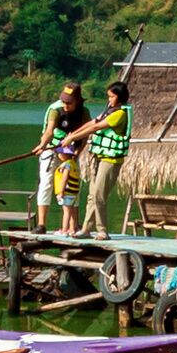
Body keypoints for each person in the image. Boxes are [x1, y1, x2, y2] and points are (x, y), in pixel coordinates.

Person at [65, 78, 131, 236]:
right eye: (108, 97)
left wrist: (72, 139)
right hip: (100, 158)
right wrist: (73, 134)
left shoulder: (119, 114)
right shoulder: (110, 110)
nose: (109, 100)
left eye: (112, 97)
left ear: (120, 97)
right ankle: (87, 229)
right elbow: (93, 121)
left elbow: (96, 127)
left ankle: (102, 231)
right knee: (91, 195)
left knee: (99, 196)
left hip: (110, 160)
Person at [32, 82, 86, 231]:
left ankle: (74, 224)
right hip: (52, 148)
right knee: (46, 182)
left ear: (77, 100)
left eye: (69, 102)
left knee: (73, 185)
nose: (65, 105)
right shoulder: (55, 110)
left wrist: (77, 152)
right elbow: (49, 131)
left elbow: (86, 134)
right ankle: (41, 224)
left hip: (70, 151)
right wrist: (42, 145)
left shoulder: (83, 112)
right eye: (63, 101)